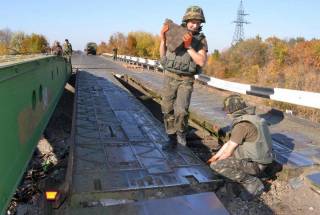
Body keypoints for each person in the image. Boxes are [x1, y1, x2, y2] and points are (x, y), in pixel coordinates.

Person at [160, 6, 208, 150]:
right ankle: (171, 137)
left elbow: (201, 61)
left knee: (181, 111)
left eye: (197, 22)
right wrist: (162, 39)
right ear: (186, 21)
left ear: (201, 24)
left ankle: (181, 135)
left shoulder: (200, 40)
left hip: (186, 79)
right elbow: (163, 55)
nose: (194, 25)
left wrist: (188, 47)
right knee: (167, 108)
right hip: (169, 76)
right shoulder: (175, 33)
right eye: (191, 21)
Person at [207, 95, 273, 201]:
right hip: (261, 160)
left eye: (227, 110)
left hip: (255, 165)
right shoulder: (253, 119)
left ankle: (252, 181)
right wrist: (214, 156)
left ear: (232, 109)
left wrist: (214, 162)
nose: (227, 113)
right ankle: (249, 176)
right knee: (219, 161)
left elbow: (228, 152)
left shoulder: (241, 126)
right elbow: (229, 143)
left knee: (216, 166)